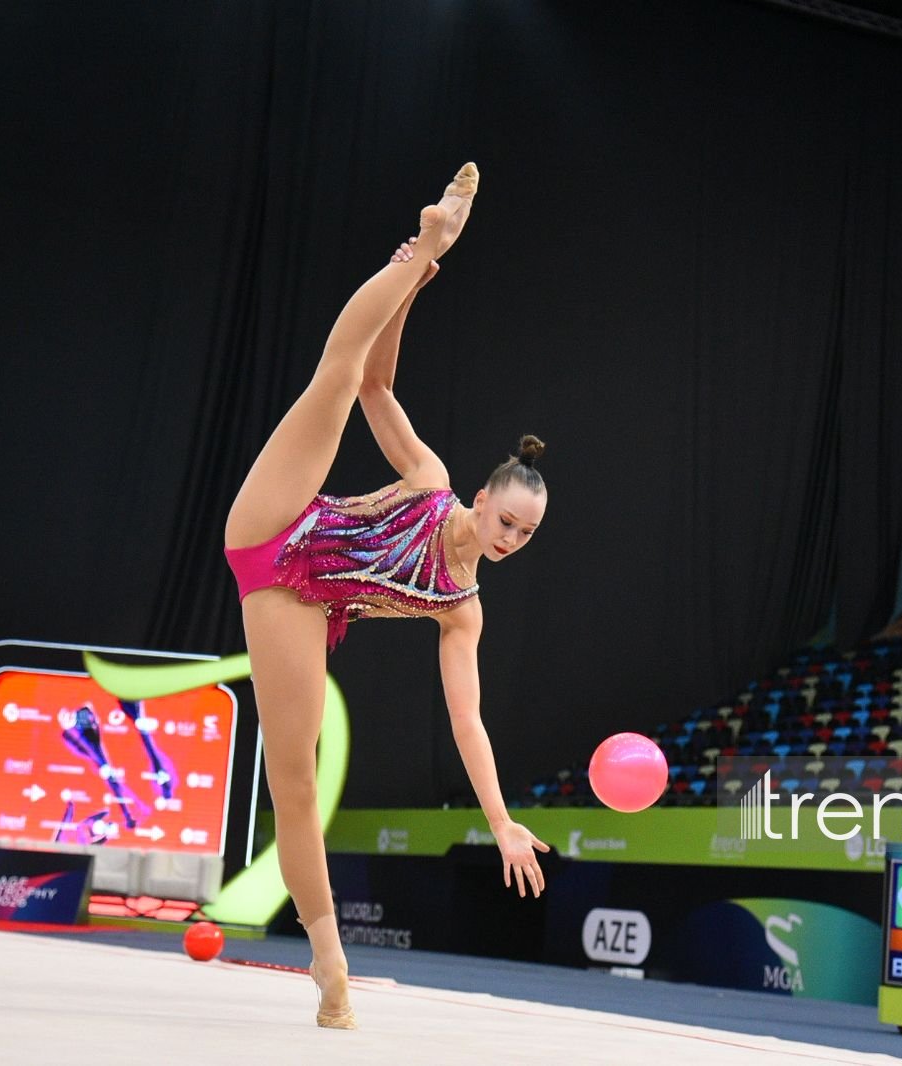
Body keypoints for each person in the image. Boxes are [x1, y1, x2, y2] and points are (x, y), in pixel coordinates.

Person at [222, 164, 551, 1029]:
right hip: (279, 517)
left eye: (526, 535)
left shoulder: (461, 610)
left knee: (294, 782)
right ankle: (424, 244)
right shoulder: (431, 478)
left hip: (290, 599)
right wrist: (415, 284)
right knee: (333, 382)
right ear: (482, 499)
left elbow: (468, 723)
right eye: (508, 519)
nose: (511, 540)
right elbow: (375, 387)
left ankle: (330, 969)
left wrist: (503, 821)